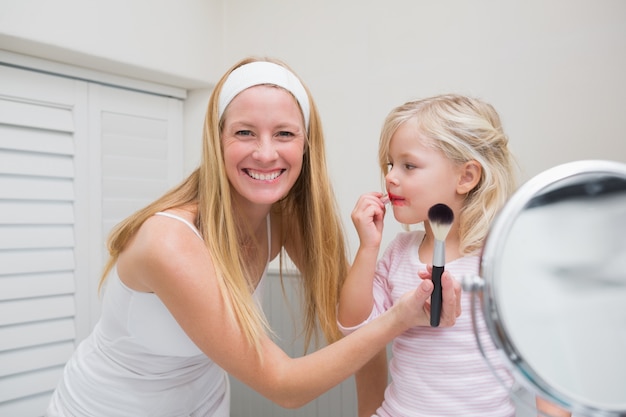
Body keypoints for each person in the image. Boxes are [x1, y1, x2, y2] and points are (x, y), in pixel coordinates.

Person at [45, 57, 462, 417]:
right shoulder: (169, 243)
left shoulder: (283, 220)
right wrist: (400, 317)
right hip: (106, 407)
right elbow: (284, 385)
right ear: (218, 140)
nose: (266, 153)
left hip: (204, 403)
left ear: (305, 145)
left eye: (284, 133)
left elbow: (353, 326)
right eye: (245, 132)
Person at [338, 94, 571, 417]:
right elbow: (353, 326)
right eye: (390, 165)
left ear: (466, 177)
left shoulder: (503, 261)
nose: (391, 176)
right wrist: (367, 247)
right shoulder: (399, 253)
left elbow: (547, 359)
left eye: (409, 165)